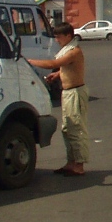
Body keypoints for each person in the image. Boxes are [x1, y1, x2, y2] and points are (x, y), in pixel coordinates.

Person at [27, 22, 90, 176]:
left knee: (75, 129)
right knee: (67, 129)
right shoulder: (67, 49)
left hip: (75, 93)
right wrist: (57, 75)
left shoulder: (74, 51)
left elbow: (53, 64)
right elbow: (66, 68)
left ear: (68, 36)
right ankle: (71, 163)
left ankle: (79, 165)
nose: (56, 40)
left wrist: (29, 61)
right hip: (68, 93)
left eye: (59, 37)